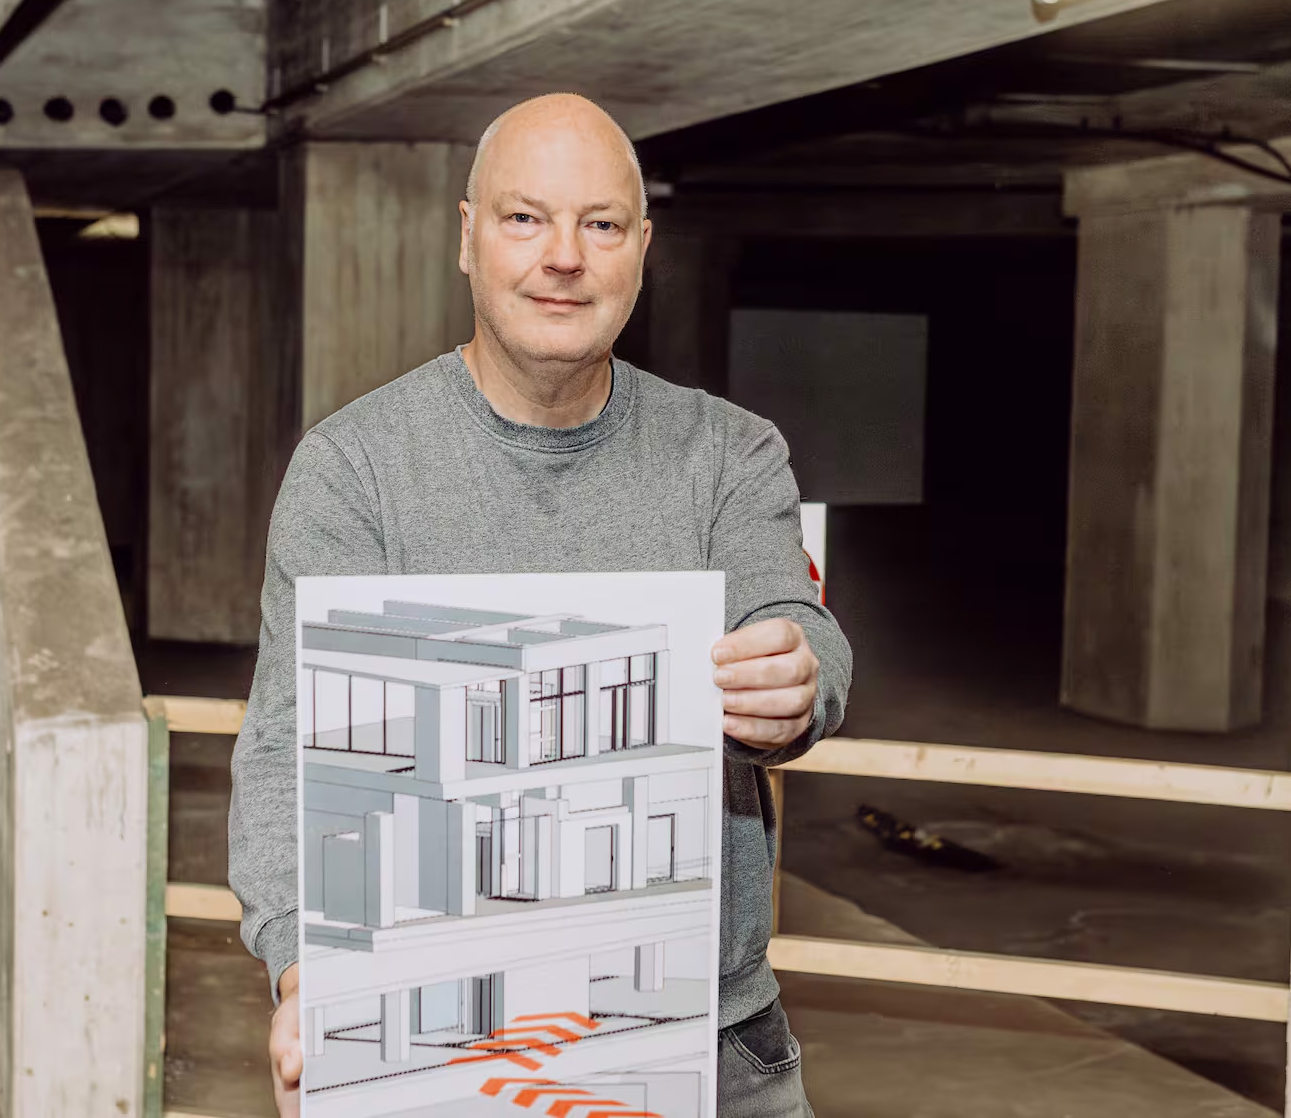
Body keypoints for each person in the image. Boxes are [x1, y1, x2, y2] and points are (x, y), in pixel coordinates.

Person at [228, 92, 850, 1117]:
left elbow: (799, 623)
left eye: (599, 224)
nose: (564, 255)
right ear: (468, 239)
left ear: (639, 249)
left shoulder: (730, 453)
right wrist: (307, 969)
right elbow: (288, 742)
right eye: (525, 217)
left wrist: (799, 673)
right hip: (430, 1030)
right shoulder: (354, 469)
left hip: (707, 1042)